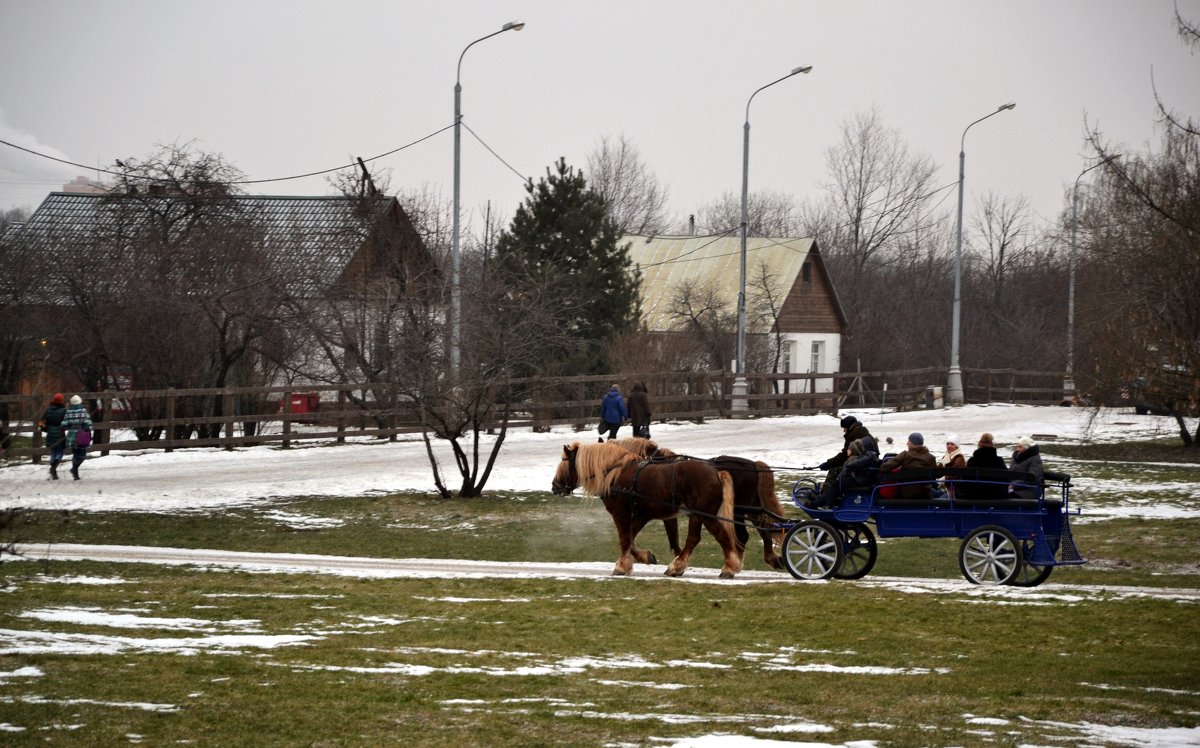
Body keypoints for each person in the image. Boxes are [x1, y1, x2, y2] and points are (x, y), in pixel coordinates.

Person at [814, 436, 880, 505]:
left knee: (836, 484)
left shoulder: (869, 455)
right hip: (863, 478)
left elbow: (857, 463)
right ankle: (821, 501)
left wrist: (849, 466)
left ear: (865, 446)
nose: (861, 447)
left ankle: (825, 503)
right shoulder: (871, 454)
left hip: (861, 480)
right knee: (838, 483)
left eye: (862, 445)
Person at [817, 415, 873, 493]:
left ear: (850, 426)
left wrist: (828, 464)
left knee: (834, 469)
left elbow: (844, 455)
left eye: (845, 428)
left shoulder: (854, 435)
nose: (844, 430)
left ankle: (823, 496)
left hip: (863, 467)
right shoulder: (861, 431)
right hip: (867, 464)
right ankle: (832, 493)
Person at [879, 432, 937, 499]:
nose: (907, 443)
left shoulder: (905, 455)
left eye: (908, 441)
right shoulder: (931, 457)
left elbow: (885, 467)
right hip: (925, 494)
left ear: (912, 443)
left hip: (906, 494)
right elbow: (934, 475)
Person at [963, 432, 1008, 500]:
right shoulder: (999, 461)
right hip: (997, 495)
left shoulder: (972, 461)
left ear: (979, 445)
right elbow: (1006, 478)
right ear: (992, 445)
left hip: (975, 494)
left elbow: (965, 480)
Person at [62, 394, 93, 481]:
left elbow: (64, 424)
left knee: (75, 454)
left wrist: (71, 426)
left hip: (72, 435)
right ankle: (74, 469)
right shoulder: (83, 411)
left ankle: (75, 473)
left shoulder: (68, 412)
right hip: (81, 435)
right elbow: (88, 423)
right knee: (82, 455)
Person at [40, 393, 67, 480]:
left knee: (53, 451)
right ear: (61, 401)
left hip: (50, 432)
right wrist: (64, 428)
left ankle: (53, 469)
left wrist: (46, 429)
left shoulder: (48, 409)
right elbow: (66, 422)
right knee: (61, 451)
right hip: (60, 433)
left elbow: (41, 422)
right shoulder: (64, 410)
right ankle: (53, 467)